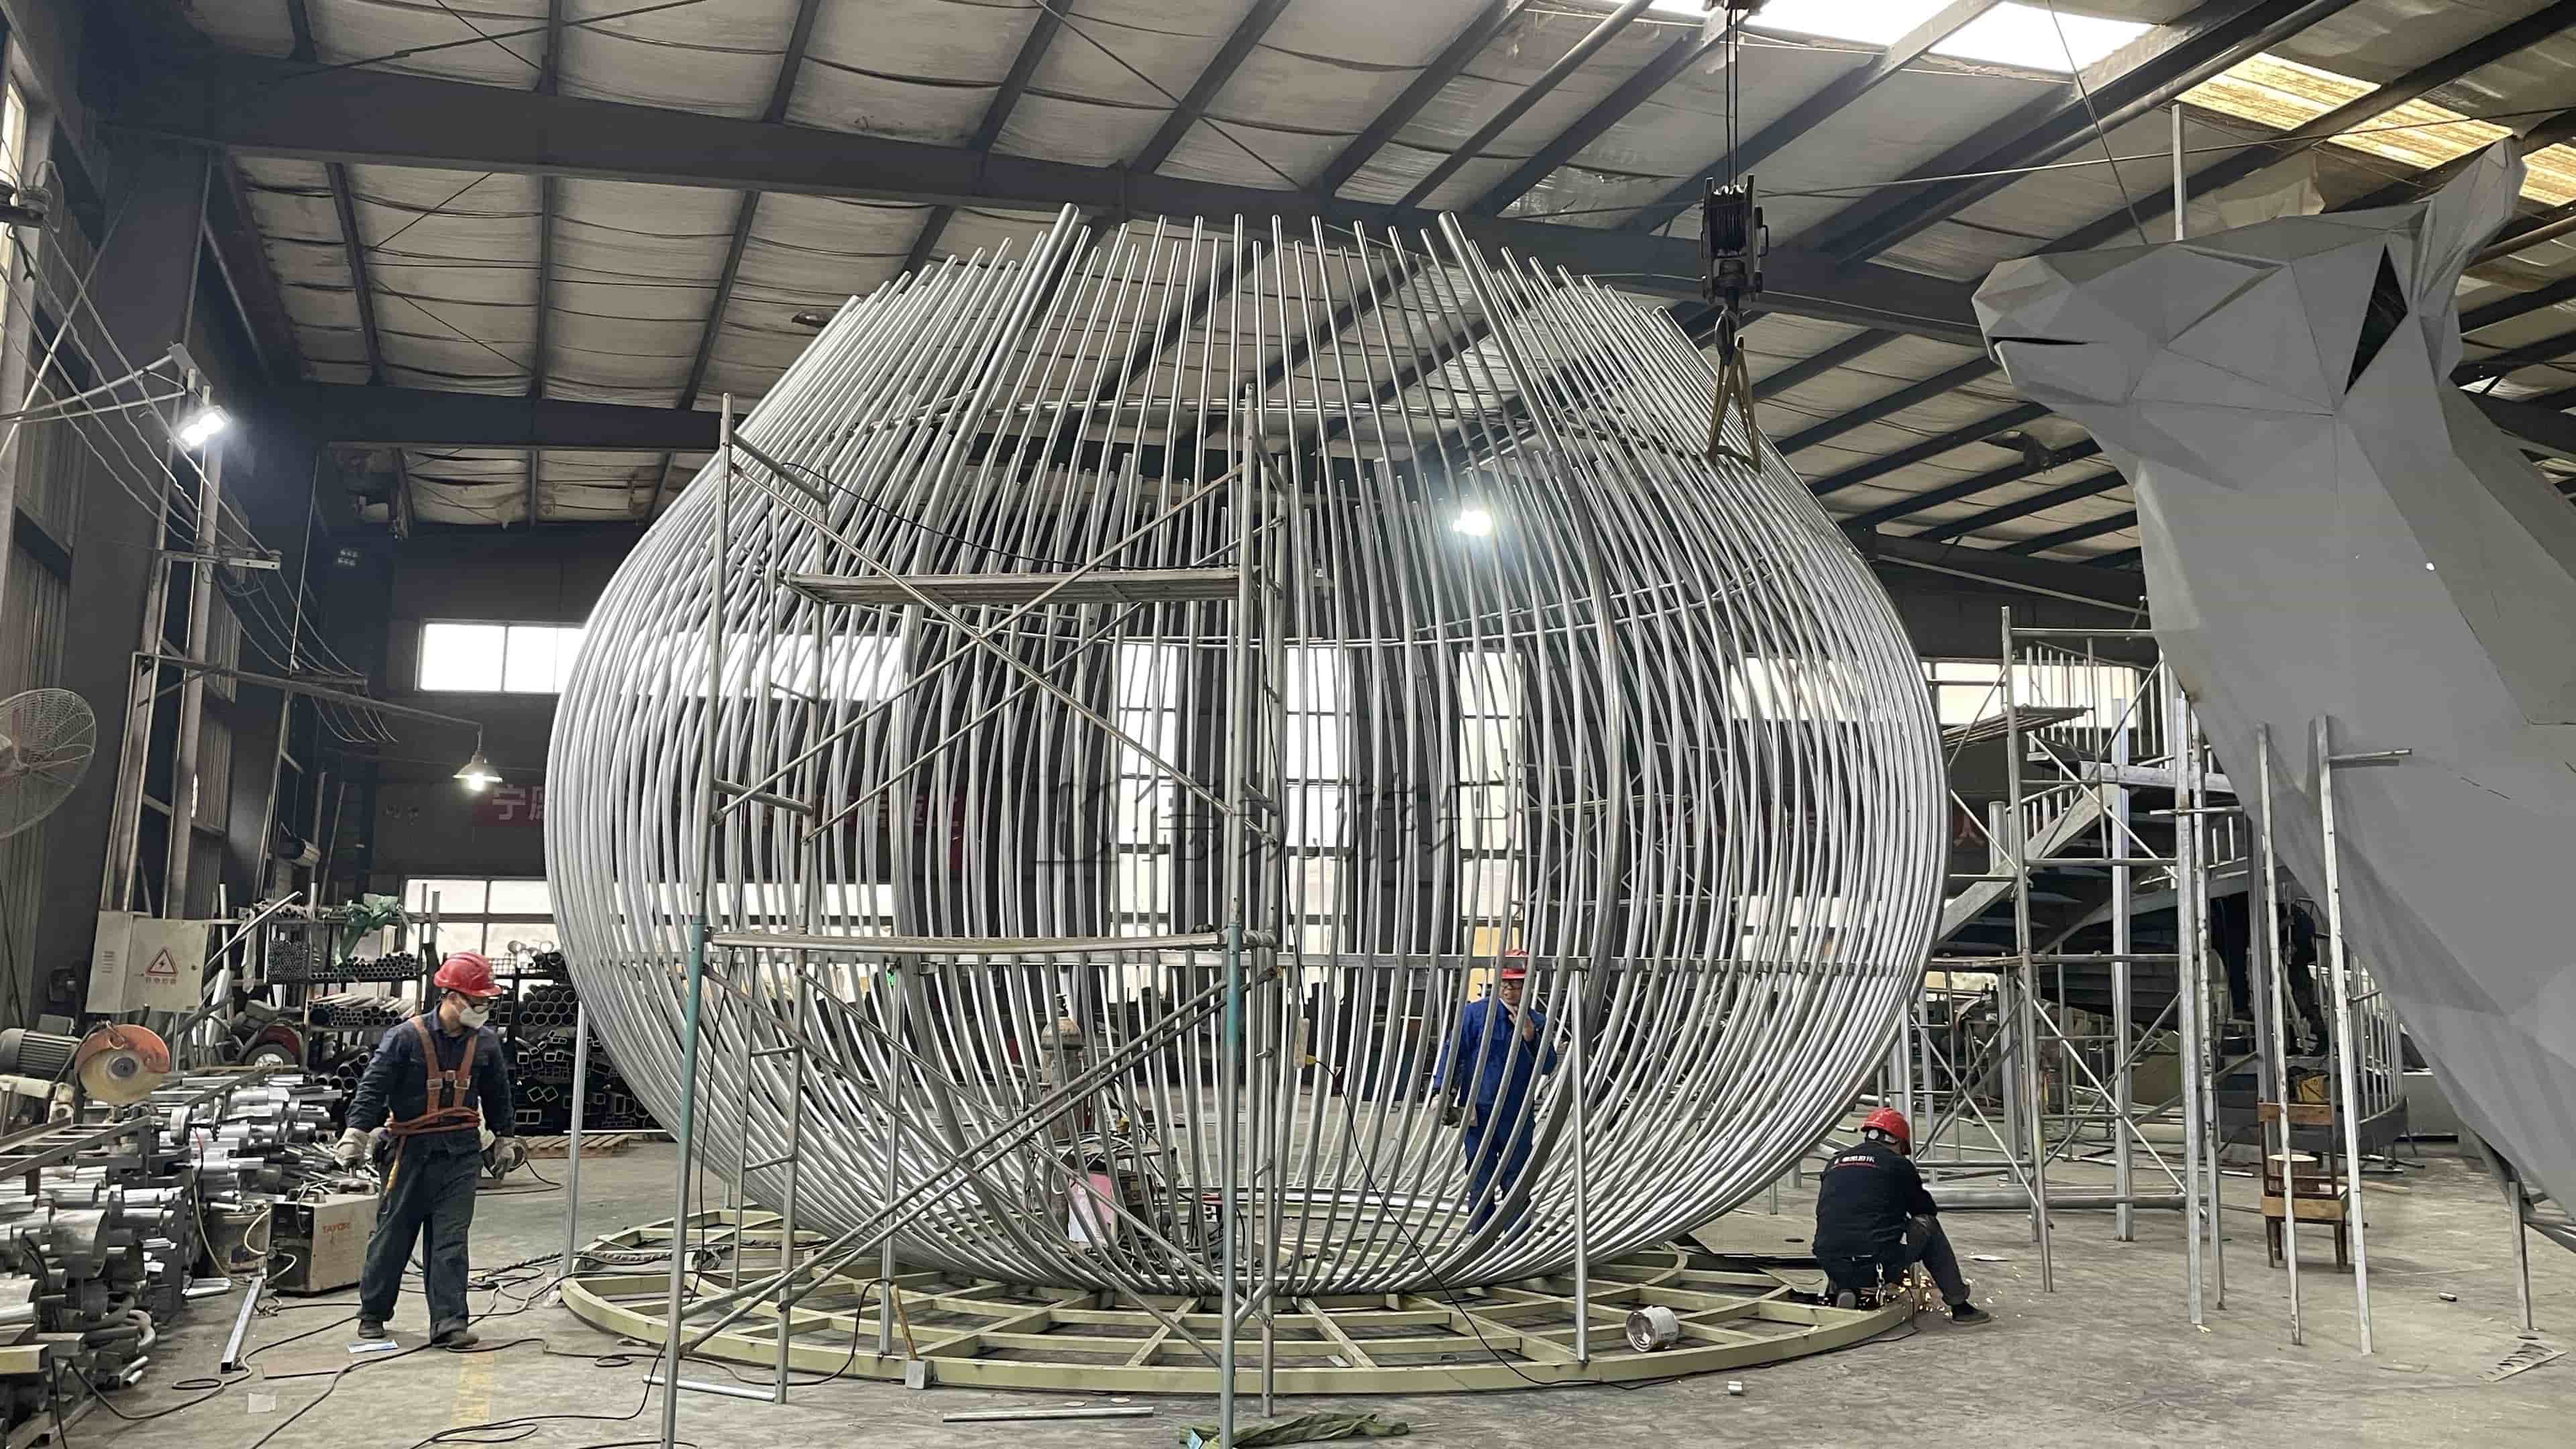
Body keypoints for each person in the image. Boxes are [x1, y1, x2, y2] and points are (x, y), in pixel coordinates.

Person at [333, 951, 518, 1345]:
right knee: (393, 1237)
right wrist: (355, 1134)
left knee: (451, 1241)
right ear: (451, 997)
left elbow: (498, 1096)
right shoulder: (404, 1038)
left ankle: (449, 1323)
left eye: (486, 1001)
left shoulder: (485, 1044)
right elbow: (372, 1089)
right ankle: (373, 1313)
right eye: (477, 1001)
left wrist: (505, 1137)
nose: (483, 1009)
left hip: (461, 1155)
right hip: (408, 1153)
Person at [1812, 1107, 1990, 1326]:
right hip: (1876, 1265)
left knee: (1843, 1227)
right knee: (1927, 1225)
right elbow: (1925, 1210)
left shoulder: (1836, 1162)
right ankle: (1960, 1305)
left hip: (1830, 1263)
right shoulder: (1898, 1164)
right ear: (1896, 1141)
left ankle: (1845, 1287)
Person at [1434, 962, 1558, 1232]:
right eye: (1505, 983)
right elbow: (1453, 1052)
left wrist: (1530, 1037)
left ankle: (1516, 1240)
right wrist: (1443, 1092)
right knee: (1480, 1175)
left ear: (1527, 986)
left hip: (1517, 1113)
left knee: (1516, 1177)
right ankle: (1481, 1237)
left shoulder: (1536, 1021)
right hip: (1479, 1110)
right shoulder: (1475, 1015)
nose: (1510, 989)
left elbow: (1548, 1064)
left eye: (1517, 984)